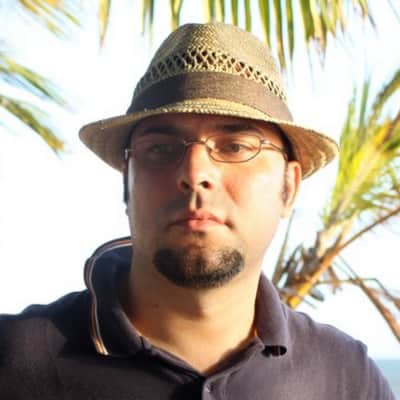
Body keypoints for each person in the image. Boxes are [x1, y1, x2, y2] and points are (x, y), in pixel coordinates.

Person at [0, 22, 395, 399]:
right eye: (160, 148)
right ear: (126, 181)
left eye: (236, 147)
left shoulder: (347, 378)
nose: (194, 173)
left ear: (289, 187)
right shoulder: (15, 361)